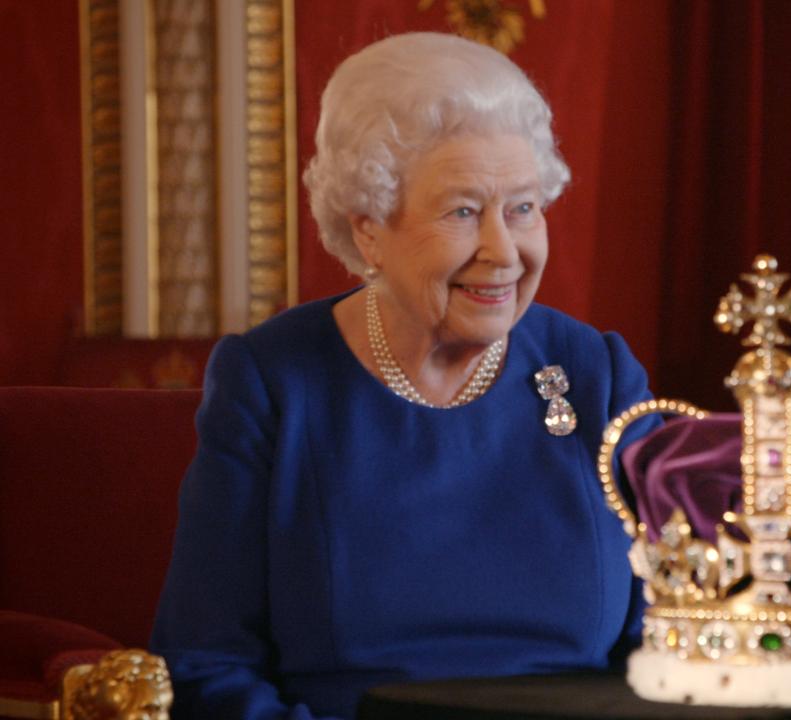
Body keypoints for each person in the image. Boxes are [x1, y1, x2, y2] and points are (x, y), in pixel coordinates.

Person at [150, 32, 656, 719]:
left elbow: (669, 640)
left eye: (523, 209)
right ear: (369, 232)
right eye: (463, 212)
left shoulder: (597, 375)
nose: (502, 252)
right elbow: (206, 661)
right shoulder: (273, 383)